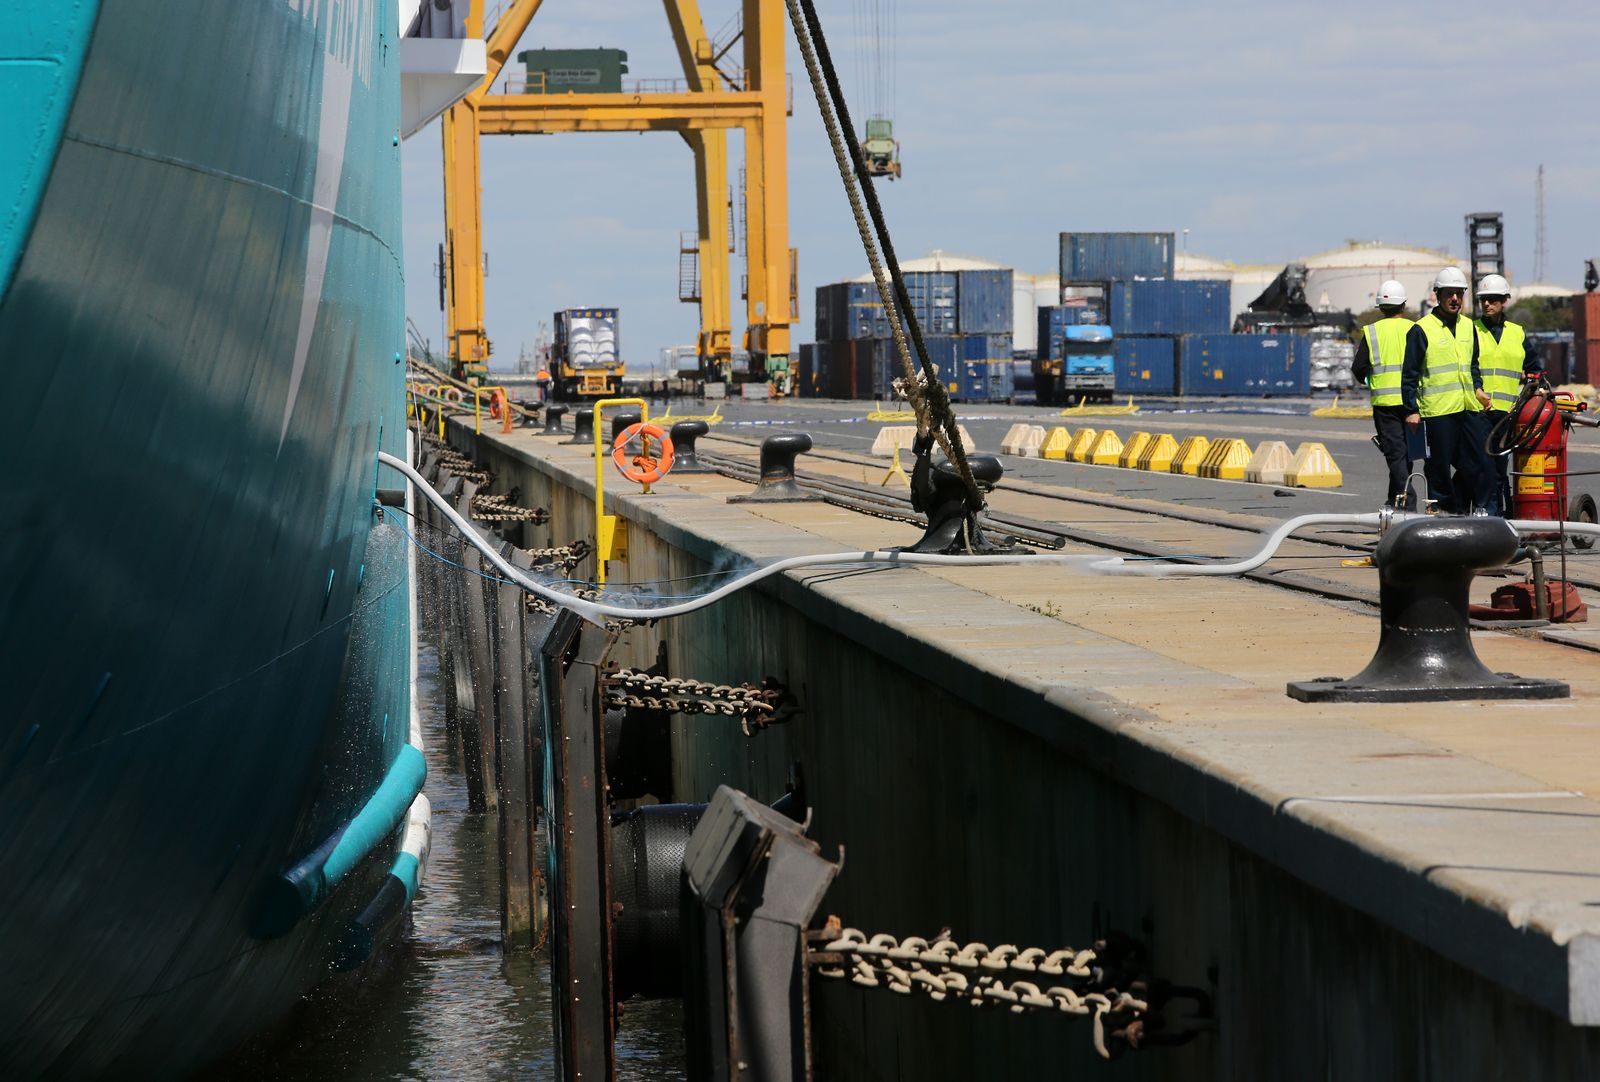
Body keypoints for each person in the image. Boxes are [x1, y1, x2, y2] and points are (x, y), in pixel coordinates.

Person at [1400, 267, 1493, 514]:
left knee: (1480, 463)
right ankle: (1441, 512)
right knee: (1438, 467)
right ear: (1438, 296)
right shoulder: (1422, 329)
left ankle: (1470, 510)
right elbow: (1409, 374)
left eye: (1459, 294)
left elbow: (1472, 365)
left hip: (1469, 408)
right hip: (1438, 411)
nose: (1455, 299)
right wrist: (1411, 409)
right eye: (1449, 294)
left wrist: (1478, 388)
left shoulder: (1468, 326)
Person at [1473, 273, 1538, 515]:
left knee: (1500, 469)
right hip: (1479, 411)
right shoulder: (1472, 331)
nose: (1487, 304)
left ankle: (1504, 516)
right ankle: (1489, 514)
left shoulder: (1517, 333)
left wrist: (1532, 386)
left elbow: (1535, 369)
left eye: (1492, 299)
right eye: (1483, 300)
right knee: (1483, 468)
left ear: (1504, 301)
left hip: (1508, 414)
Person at [1352, 279, 1416, 509]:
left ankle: (1408, 503)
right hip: (1413, 403)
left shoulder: (1372, 332)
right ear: (1404, 305)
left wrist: (1371, 380)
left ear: (1380, 307)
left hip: (1385, 404)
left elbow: (1358, 369)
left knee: (1395, 455)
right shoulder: (1414, 329)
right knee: (1406, 455)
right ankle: (1394, 501)